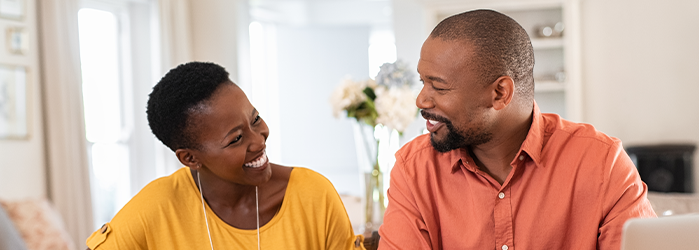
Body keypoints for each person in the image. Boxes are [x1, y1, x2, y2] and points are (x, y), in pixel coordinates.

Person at [378, 9, 656, 250]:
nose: (421, 100)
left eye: (438, 87)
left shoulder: (601, 163)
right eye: (422, 82)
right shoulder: (413, 170)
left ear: (500, 93)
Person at [85, 62, 365, 250]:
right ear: (190, 158)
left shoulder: (313, 195)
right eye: (236, 139)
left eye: (255, 119)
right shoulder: (157, 207)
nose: (259, 139)